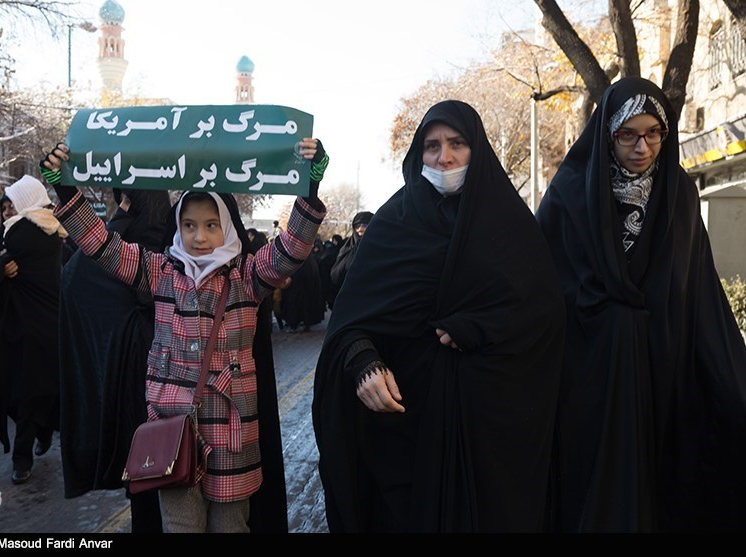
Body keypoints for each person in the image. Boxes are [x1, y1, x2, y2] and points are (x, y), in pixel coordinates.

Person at [41, 137, 328, 533]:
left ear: (227, 226)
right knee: (180, 527)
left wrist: (309, 188)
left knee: (230, 526)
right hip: (172, 431)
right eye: (189, 225)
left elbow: (291, 249)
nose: (199, 237)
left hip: (232, 436)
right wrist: (65, 189)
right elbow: (103, 247)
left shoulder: (247, 277)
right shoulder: (159, 271)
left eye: (211, 225)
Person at [312, 100, 566, 532]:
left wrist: (481, 327)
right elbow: (351, 322)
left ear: (477, 150)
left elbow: (542, 318)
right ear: (418, 154)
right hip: (403, 432)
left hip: (490, 435)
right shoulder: (393, 224)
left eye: (457, 144)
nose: (443, 157)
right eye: (432, 146)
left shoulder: (513, 226)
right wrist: (362, 361)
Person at [535, 76, 746, 533]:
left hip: (662, 369)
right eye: (627, 135)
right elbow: (535, 282)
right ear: (607, 134)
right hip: (587, 372)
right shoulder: (570, 193)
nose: (642, 147)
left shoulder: (680, 195)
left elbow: (698, 288)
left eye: (654, 134)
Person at [58, 187, 170, 533]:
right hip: (164, 379)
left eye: (125, 199)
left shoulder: (136, 250)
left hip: (138, 376)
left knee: (148, 477)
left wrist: (120, 218)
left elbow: (79, 270)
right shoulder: (172, 245)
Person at [0, 176, 64, 485]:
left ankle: (22, 457)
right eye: (4, 208)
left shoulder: (23, 235)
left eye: (12, 206)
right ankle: (42, 429)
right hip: (19, 328)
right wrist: (0, 268)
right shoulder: (46, 231)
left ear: (27, 203)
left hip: (37, 329)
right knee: (21, 391)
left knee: (27, 393)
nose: (6, 213)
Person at [329, 210, 373, 301]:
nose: (360, 229)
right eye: (357, 226)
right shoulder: (346, 249)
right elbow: (336, 276)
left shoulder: (380, 249)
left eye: (365, 225)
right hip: (347, 299)